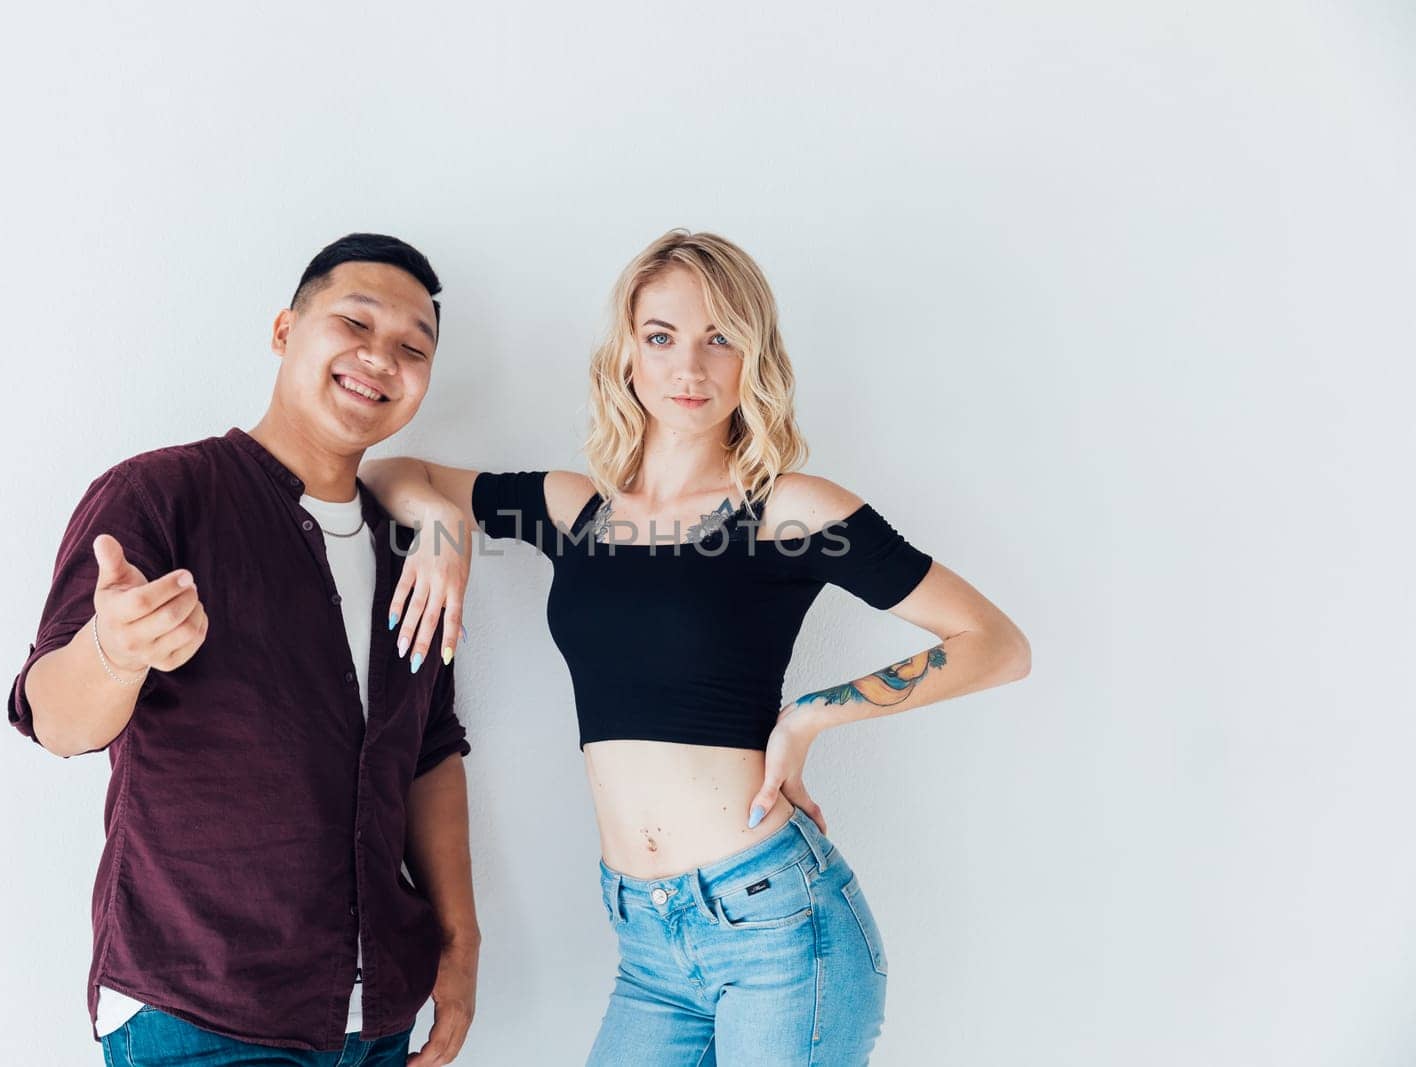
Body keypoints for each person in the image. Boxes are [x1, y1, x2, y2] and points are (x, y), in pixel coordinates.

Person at [362, 229, 1032, 1065]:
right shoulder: (577, 512)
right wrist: (438, 526)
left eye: (720, 338)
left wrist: (812, 715)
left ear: (755, 357)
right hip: (646, 941)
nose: (690, 367)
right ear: (628, 354)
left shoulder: (791, 511)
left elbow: (996, 644)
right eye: (662, 336)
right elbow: (389, 471)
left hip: (780, 931)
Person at [6, 234, 480, 1067]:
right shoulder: (161, 494)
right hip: (202, 1010)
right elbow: (54, 717)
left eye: (413, 347)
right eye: (355, 323)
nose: (381, 358)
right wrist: (116, 652)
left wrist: (459, 939)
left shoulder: (412, 549)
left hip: (381, 1021)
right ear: (283, 330)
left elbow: (430, 751)